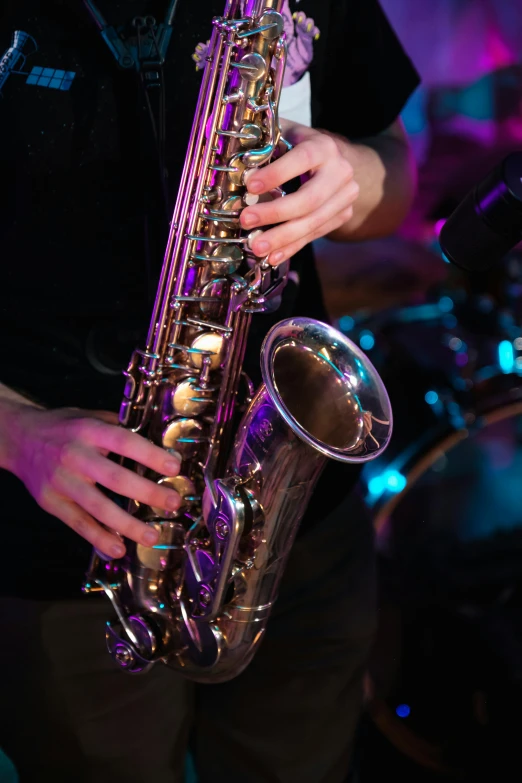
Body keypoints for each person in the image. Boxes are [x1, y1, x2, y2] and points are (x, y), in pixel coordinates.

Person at [0, 1, 419, 781]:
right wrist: (13, 429)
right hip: (67, 548)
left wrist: (355, 179)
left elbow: (395, 169)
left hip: (298, 533)